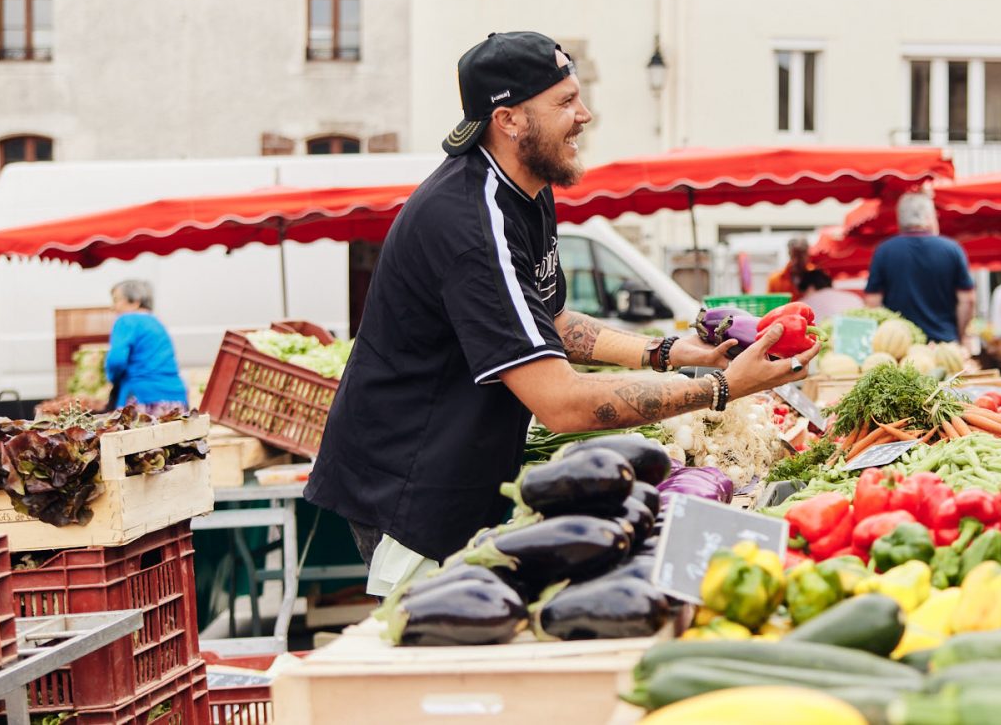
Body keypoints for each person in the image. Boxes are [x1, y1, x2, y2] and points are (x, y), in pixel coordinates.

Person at [305, 32, 817, 595]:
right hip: (412, 483)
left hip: (461, 467)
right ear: (510, 119)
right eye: (566, 101)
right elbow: (563, 404)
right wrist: (721, 387)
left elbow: (547, 319)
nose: (585, 114)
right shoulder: (470, 225)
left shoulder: (525, 188)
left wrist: (668, 352)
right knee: (440, 653)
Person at [863, 192, 975, 343]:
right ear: (929, 218)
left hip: (902, 346)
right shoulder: (952, 249)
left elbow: (872, 302)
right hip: (944, 344)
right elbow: (967, 300)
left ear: (900, 219)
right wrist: (960, 336)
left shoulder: (884, 251)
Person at [104, 280, 189, 413]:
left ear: (135, 301)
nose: (113, 307)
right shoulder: (156, 323)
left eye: (116, 300)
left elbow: (116, 361)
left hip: (142, 399)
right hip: (176, 400)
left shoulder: (126, 320)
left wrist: (113, 379)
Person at [797, 268, 864, 320]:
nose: (804, 296)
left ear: (810, 288)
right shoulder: (853, 297)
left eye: (804, 293)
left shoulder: (803, 304)